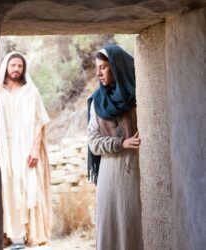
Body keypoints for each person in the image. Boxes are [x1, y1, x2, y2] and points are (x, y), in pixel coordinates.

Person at [87, 45, 143, 250]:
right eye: (97, 68)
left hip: (136, 170)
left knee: (134, 222)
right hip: (109, 172)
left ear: (117, 67)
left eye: (103, 67)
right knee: (110, 224)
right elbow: (93, 141)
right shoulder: (97, 102)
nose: (98, 73)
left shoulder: (139, 98)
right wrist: (121, 143)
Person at [0, 51, 51, 248]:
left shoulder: (30, 92)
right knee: (5, 186)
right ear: (6, 67)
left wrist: (35, 150)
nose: (16, 69)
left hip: (25, 146)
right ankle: (5, 235)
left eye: (20, 66)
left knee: (26, 186)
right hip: (3, 146)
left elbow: (40, 121)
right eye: (13, 65)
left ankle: (28, 235)